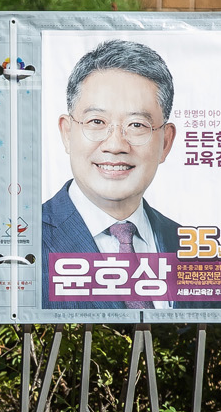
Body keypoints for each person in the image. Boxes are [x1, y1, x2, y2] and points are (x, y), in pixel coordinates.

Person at [41, 39, 184, 310]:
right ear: (67, 132)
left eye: (137, 125)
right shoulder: (24, 244)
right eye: (97, 122)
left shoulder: (195, 251)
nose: (116, 144)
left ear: (165, 142)